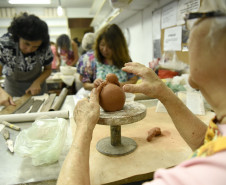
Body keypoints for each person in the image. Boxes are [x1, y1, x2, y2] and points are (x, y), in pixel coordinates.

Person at [57, 1, 226, 185]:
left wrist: (83, 129)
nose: (189, 28)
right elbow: (205, 142)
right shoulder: (218, 142)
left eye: (196, 18)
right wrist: (164, 93)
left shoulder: (201, 175)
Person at [0, 12, 53, 106]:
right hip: (12, 91)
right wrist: (1, 92)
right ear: (18, 37)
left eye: (35, 46)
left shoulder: (45, 47)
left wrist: (37, 82)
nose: (29, 49)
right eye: (26, 44)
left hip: (37, 91)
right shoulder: (5, 44)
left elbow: (48, 69)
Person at [93, 24, 138, 88]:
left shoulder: (126, 60)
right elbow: (86, 84)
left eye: (110, 46)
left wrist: (118, 85)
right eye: (102, 45)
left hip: (121, 95)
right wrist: (95, 83)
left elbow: (133, 80)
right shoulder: (95, 60)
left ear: (118, 47)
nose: (105, 50)